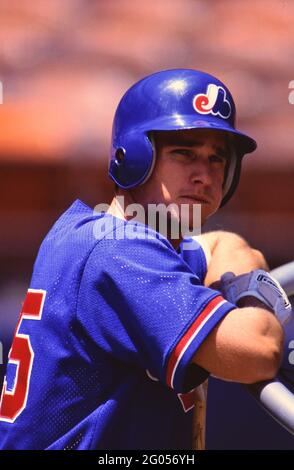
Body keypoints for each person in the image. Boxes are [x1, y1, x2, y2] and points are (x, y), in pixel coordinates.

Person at [0, 69, 288, 450]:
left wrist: (237, 287)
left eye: (218, 158)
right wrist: (252, 299)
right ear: (134, 155)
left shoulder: (126, 236)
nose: (205, 174)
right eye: (184, 153)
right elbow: (258, 351)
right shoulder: (119, 251)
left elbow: (228, 244)